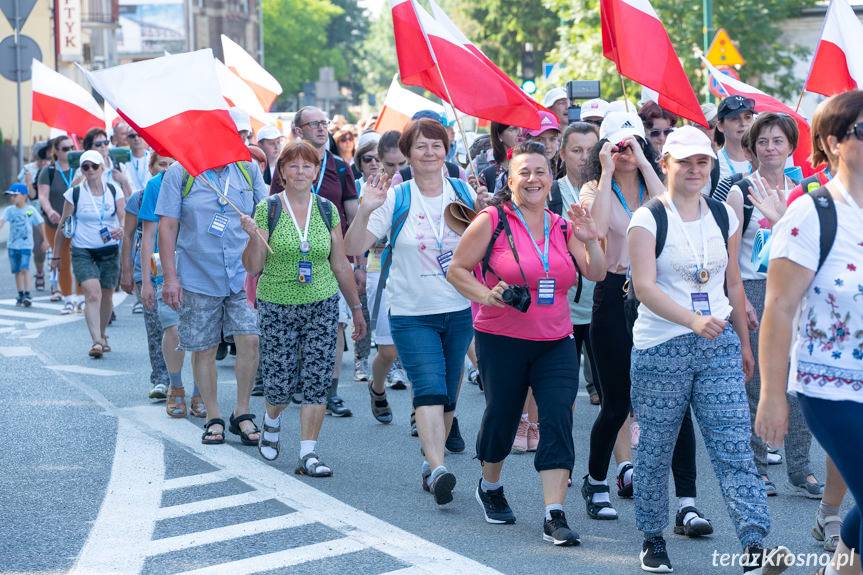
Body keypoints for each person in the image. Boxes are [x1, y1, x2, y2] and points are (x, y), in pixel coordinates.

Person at [626, 126, 784, 573]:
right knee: (655, 448)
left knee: (734, 446)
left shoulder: (722, 215)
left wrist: (744, 342)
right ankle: (652, 536)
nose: (695, 170)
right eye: (685, 162)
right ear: (666, 164)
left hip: (717, 345)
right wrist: (692, 320)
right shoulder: (647, 219)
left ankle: (755, 543)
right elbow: (644, 287)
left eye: (702, 162)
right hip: (661, 347)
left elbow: (732, 281)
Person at [446, 140, 606, 543]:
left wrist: (590, 239)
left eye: (540, 171)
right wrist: (486, 295)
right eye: (524, 172)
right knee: (502, 416)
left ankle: (554, 513)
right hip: (501, 338)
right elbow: (457, 269)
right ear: (510, 179)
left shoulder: (562, 225)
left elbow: (597, 272)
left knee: (558, 418)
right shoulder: (492, 220)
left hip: (556, 340)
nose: (533, 179)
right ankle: (490, 485)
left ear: (551, 177)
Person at [581, 113, 709, 530]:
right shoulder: (594, 186)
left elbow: (668, 209)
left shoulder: (656, 184)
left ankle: (687, 503)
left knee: (677, 404)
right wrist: (606, 170)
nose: (625, 151)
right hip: (614, 294)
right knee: (617, 403)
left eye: (631, 142)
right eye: (617, 145)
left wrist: (644, 159)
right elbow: (598, 227)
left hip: (659, 296)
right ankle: (596, 482)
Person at [345, 119, 480, 506]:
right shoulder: (395, 197)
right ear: (407, 153)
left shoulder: (463, 191)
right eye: (420, 146)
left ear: (447, 151)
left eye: (436, 145)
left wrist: (488, 211)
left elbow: (482, 244)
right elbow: (354, 245)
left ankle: (429, 462)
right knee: (429, 388)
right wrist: (365, 210)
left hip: (458, 308)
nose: (429, 152)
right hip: (411, 312)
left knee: (449, 395)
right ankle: (438, 468)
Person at [757, 90, 863, 575]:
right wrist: (771, 396)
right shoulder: (811, 214)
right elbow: (778, 309)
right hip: (831, 388)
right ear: (833, 143)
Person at [242, 141, 366, 476]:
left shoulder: (326, 209)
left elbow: (339, 263)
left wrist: (355, 307)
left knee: (317, 379)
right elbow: (253, 266)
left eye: (307, 166)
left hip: (321, 303)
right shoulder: (268, 208)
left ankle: (308, 453)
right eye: (293, 166)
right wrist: (253, 237)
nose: (300, 172)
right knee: (280, 382)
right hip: (277, 305)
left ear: (315, 172)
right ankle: (272, 419)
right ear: (281, 172)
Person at [721, 113, 823, 499]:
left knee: (798, 382)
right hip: (754, 289)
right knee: (756, 381)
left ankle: (800, 466)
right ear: (752, 147)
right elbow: (730, 254)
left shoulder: (807, 189)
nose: (770, 148)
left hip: (796, 290)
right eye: (762, 141)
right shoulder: (740, 191)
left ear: (791, 146)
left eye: (778, 141)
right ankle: (758, 466)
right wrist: (740, 300)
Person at [156, 153, 267, 445]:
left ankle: (242, 412)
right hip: (198, 274)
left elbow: (267, 215)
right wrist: (170, 278)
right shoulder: (181, 172)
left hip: (243, 273)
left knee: (250, 339)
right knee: (204, 348)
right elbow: (167, 226)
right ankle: (213, 416)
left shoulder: (247, 169)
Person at [272, 106, 360, 417]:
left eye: (325, 123)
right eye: (314, 124)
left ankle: (329, 391)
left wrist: (358, 261)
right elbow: (272, 211)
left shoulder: (340, 167)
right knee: (297, 327)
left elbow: (352, 214)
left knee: (336, 325)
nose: (322, 128)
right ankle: (298, 382)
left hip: (332, 259)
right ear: (298, 130)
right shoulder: (285, 167)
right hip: (290, 261)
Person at [138, 154, 204, 418]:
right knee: (174, 329)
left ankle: (201, 390)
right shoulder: (156, 185)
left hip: (201, 268)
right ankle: (175, 386)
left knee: (202, 335)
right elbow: (148, 235)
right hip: (166, 270)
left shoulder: (205, 179)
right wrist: (146, 281)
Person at [51, 151, 125, 358]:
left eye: (94, 166)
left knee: (107, 294)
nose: (90, 170)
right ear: (82, 170)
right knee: (93, 293)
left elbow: (123, 216)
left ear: (102, 167)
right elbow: (63, 225)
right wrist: (56, 256)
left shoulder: (114, 190)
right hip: (83, 251)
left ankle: (102, 333)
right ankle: (96, 341)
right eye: (85, 166)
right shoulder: (74, 193)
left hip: (109, 250)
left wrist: (122, 228)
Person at [555, 123, 602, 405]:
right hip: (563, 306)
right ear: (562, 154)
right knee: (562, 390)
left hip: (604, 302)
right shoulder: (549, 193)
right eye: (576, 150)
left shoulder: (609, 189)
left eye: (591, 150)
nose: (585, 157)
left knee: (611, 388)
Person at [120, 155, 169, 400]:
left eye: (172, 165)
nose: (166, 169)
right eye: (162, 164)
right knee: (155, 326)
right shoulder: (138, 198)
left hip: (178, 268)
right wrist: (126, 270)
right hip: (147, 270)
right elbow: (128, 235)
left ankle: (181, 380)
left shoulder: (182, 193)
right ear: (151, 168)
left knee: (178, 328)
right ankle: (160, 379)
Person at [38, 136, 81, 313]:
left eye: (72, 148)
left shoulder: (80, 169)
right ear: (56, 151)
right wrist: (50, 211)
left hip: (78, 222)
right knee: (61, 260)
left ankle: (81, 298)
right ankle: (68, 299)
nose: (69, 151)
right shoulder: (48, 171)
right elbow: (42, 196)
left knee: (80, 259)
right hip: (55, 223)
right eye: (65, 148)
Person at [1, 183, 44, 307]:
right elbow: (2, 221)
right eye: (10, 196)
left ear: (24, 196)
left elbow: (39, 223)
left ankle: (27, 294)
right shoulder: (9, 210)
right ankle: (20, 294)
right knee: (17, 271)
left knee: (25, 268)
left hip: (26, 245)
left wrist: (45, 240)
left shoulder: (29, 210)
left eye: (15, 195)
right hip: (12, 246)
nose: (12, 198)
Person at [79, 128, 133, 198]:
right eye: (98, 144)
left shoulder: (120, 167)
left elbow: (131, 198)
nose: (103, 146)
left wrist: (124, 181)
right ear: (89, 148)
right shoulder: (84, 169)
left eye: (106, 142)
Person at [714, 95, 756, 185]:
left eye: (747, 117)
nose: (743, 123)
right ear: (720, 126)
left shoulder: (764, 159)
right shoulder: (712, 165)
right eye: (734, 118)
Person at [528, 111, 563, 178]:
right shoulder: (520, 172)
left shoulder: (562, 171)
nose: (547, 145)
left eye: (552, 139)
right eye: (540, 140)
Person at [122, 129, 151, 194]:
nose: (136, 138)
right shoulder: (123, 160)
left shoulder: (152, 158)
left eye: (139, 135)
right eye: (132, 136)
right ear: (127, 139)